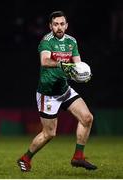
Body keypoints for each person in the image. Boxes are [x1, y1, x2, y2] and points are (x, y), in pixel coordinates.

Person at [17, 11, 97, 172]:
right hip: (48, 95)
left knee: (87, 118)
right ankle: (25, 158)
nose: (59, 27)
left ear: (66, 26)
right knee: (49, 134)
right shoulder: (46, 41)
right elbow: (45, 61)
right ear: (50, 26)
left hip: (64, 90)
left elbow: (78, 65)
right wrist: (62, 64)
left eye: (62, 24)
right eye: (55, 24)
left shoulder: (71, 42)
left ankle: (78, 157)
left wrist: (82, 74)